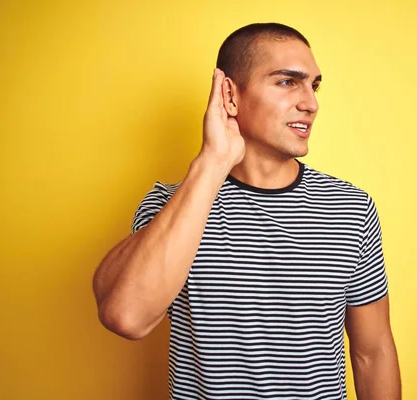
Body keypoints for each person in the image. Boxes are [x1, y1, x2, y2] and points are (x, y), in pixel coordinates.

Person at [93, 22, 401, 400]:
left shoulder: (350, 207)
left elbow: (374, 353)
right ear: (229, 95)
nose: (311, 103)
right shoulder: (172, 206)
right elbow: (126, 316)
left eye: (314, 85)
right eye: (288, 82)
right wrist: (212, 162)